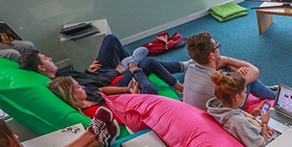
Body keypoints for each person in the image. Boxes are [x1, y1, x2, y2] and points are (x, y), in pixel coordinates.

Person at [183, 31, 292, 115]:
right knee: (251, 81)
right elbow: (254, 71)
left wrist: (229, 66)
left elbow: (224, 68)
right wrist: (228, 60)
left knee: (238, 73)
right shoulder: (219, 81)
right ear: (211, 55)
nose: (219, 48)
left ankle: (272, 91)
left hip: (204, 112)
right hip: (224, 112)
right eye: (217, 47)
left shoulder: (192, 69)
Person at [207, 71, 292, 147]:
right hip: (274, 141)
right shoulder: (236, 121)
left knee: (288, 110)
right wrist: (264, 123)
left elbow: (244, 120)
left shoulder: (223, 107)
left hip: (263, 124)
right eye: (244, 92)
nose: (246, 94)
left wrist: (253, 113)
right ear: (236, 97)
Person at [19, 45, 184, 97]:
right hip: (109, 79)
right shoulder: (62, 85)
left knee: (110, 40)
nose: (50, 58)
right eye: (45, 59)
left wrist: (88, 71)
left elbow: (89, 81)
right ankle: (131, 64)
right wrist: (121, 73)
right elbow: (98, 88)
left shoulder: (60, 74)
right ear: (41, 68)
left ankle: (131, 63)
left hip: (100, 75)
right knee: (148, 63)